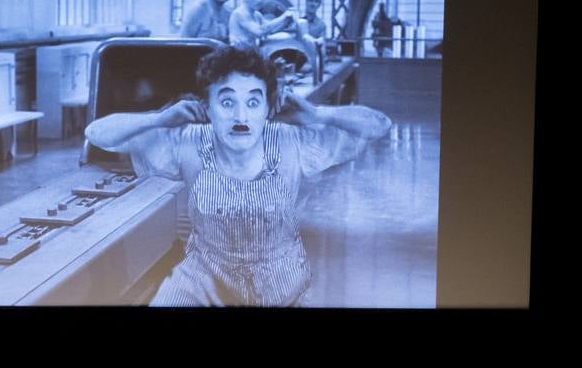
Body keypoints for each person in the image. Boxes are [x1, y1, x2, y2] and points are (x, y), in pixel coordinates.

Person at [85, 44, 391, 307]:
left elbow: (380, 125)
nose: (241, 117)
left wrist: (316, 114)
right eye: (227, 102)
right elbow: (97, 133)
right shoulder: (188, 141)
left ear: (269, 107)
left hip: (281, 287)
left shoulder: (294, 142)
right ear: (207, 108)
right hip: (201, 279)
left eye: (253, 102)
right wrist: (160, 118)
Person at [228, 0, 294, 48]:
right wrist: (283, 16)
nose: (259, 0)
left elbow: (271, 30)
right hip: (237, 54)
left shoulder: (257, 14)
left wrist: (287, 20)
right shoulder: (240, 13)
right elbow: (259, 32)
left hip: (250, 53)